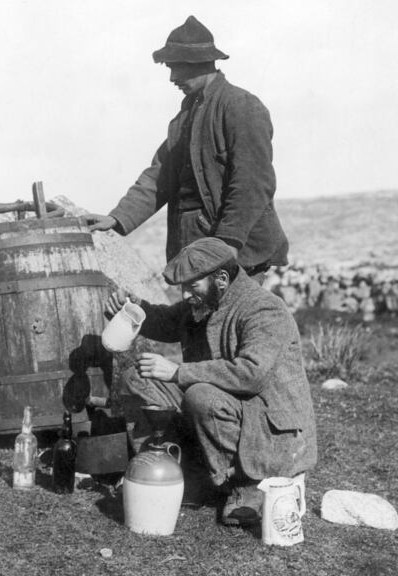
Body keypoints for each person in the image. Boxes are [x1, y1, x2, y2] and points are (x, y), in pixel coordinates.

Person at [105, 237, 316, 526]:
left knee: (200, 395)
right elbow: (165, 321)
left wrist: (179, 372)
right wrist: (131, 307)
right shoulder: (204, 301)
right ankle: (170, 468)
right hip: (227, 408)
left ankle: (247, 486)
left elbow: (251, 373)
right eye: (182, 287)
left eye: (193, 285)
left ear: (221, 278)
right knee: (138, 378)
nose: (186, 294)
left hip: (268, 427)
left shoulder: (264, 310)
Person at [85, 16, 288, 284]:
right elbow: (159, 176)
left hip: (235, 252)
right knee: (197, 324)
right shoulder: (184, 118)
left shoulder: (241, 107)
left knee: (233, 323)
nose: (171, 78)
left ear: (197, 63)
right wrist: (117, 218)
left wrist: (228, 242)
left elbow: (252, 183)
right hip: (193, 247)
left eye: (175, 68)